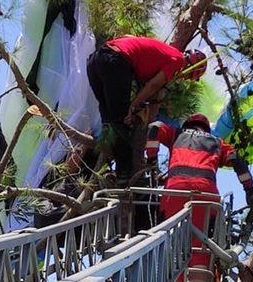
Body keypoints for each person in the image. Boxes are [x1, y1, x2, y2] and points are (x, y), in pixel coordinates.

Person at [146, 113, 253, 282]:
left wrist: (152, 163)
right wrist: (249, 189)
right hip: (206, 196)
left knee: (170, 243)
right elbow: (237, 161)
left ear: (187, 124)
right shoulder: (217, 142)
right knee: (200, 248)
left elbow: (155, 127)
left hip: (175, 191)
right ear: (206, 129)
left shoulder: (176, 135)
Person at [86, 35, 207, 184]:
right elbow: (153, 85)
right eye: (189, 76)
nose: (185, 79)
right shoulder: (177, 60)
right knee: (121, 121)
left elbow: (129, 42)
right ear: (192, 69)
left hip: (96, 60)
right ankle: (125, 175)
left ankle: (102, 161)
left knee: (109, 119)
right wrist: (134, 104)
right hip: (115, 61)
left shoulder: (164, 52)